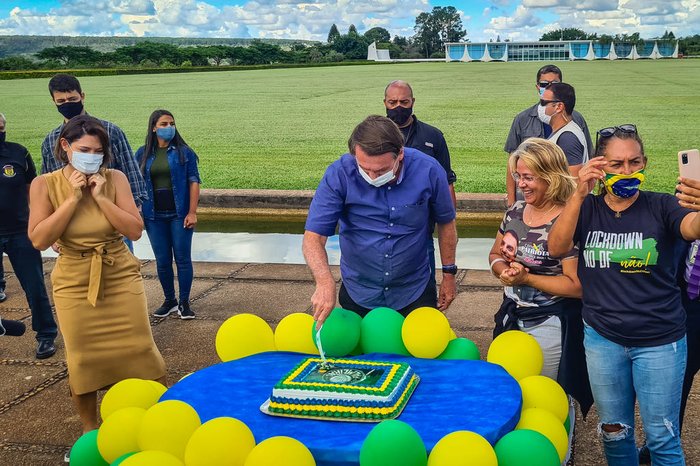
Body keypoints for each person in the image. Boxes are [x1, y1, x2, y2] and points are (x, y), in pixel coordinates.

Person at [548, 125, 699, 465]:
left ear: (645, 163)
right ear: (600, 168)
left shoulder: (661, 206)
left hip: (660, 341)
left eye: (634, 162)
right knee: (614, 434)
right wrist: (577, 194)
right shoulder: (587, 209)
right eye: (617, 164)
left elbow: (690, 226)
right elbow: (557, 247)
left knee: (663, 439)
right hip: (603, 340)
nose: (628, 172)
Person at [28, 115, 166, 446]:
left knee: (141, 348)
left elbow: (134, 229)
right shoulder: (44, 184)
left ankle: (162, 417)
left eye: (99, 151)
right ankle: (91, 430)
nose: (93, 156)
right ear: (65, 146)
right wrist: (74, 199)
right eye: (85, 149)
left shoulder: (114, 178)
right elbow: (38, 238)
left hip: (118, 271)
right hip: (74, 280)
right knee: (82, 357)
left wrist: (102, 198)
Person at [303, 115, 458, 324]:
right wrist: (324, 282)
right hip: (359, 290)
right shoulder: (339, 174)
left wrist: (449, 275)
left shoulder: (429, 170)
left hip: (414, 290)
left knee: (418, 355)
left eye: (382, 170)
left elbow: (446, 223)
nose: (373, 177)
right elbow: (313, 237)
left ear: (400, 154)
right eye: (365, 169)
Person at [489, 139, 593, 437]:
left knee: (546, 396)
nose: (521, 184)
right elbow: (495, 254)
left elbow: (577, 287)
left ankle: (557, 448)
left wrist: (526, 279)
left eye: (529, 177)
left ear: (551, 176)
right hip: (511, 316)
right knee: (510, 392)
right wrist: (503, 271)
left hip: (549, 323)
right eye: (518, 176)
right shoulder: (515, 212)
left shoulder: (568, 219)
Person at [40, 73, 147, 250]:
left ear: (82, 96)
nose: (67, 104)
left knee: (119, 266)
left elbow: (132, 176)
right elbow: (48, 186)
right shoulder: (51, 140)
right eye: (61, 101)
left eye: (72, 98)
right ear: (54, 102)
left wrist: (131, 215)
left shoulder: (109, 131)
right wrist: (53, 234)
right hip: (69, 222)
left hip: (111, 219)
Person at [383, 80, 457, 301]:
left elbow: (447, 180)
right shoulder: (374, 136)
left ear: (413, 102)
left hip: (420, 228)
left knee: (422, 293)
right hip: (382, 225)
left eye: (404, 102)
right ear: (384, 103)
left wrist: (449, 220)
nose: (398, 107)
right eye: (392, 102)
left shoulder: (432, 136)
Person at [0, 112, 58, 359]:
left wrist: (40, 224)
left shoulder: (18, 153)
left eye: (1, 126)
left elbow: (32, 192)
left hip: (20, 232)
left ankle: (46, 335)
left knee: (34, 287)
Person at [135, 110, 201, 319]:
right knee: (162, 260)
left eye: (171, 123)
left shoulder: (184, 152)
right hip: (154, 216)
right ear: (154, 127)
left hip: (179, 214)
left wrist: (192, 212)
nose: (169, 127)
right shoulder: (143, 153)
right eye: (164, 123)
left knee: (182, 259)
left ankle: (184, 302)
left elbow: (194, 182)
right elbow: (136, 184)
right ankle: (169, 300)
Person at [505, 64, 593, 207]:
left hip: (555, 206)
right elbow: (512, 164)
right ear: (537, 86)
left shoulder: (569, 133)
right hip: (535, 201)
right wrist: (511, 202)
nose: (549, 88)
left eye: (554, 84)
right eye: (545, 84)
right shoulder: (522, 119)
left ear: (559, 106)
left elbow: (574, 181)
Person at [539, 82, 589, 176]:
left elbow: (574, 182)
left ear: (559, 107)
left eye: (543, 103)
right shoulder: (562, 131)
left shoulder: (567, 138)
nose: (540, 107)